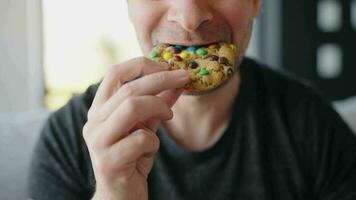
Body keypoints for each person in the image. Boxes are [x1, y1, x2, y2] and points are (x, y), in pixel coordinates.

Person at [27, 0, 356, 199]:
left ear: (255, 1)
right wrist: (114, 194)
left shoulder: (314, 126)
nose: (189, 16)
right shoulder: (69, 138)